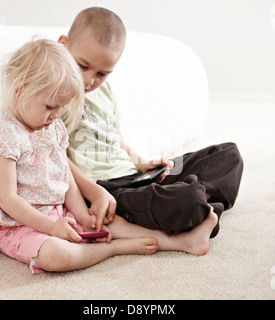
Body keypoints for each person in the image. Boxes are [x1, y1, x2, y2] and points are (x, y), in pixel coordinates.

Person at [0, 39, 219, 275]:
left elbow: (64, 174)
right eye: (50, 107)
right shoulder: (4, 134)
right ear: (20, 92)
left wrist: (82, 215)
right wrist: (51, 227)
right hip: (21, 226)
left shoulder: (51, 126)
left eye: (61, 108)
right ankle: (112, 249)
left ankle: (183, 242)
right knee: (56, 255)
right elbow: (8, 199)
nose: (55, 115)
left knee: (110, 223)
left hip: (59, 214)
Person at [59, 7, 244, 237]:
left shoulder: (104, 91)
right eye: (83, 66)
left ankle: (197, 206)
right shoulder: (55, 95)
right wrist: (93, 192)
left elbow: (117, 140)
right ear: (63, 45)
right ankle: (195, 203)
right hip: (107, 189)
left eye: (102, 73)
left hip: (135, 177)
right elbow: (57, 157)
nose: (89, 80)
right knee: (184, 198)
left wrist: (142, 164)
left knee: (228, 154)